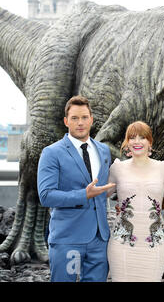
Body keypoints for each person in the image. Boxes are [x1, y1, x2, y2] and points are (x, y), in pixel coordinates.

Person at [37, 96, 115, 282]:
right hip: (67, 238)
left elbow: (106, 188)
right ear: (66, 121)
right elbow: (46, 195)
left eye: (84, 117)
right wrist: (83, 195)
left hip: (99, 239)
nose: (80, 123)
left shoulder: (103, 151)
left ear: (91, 119)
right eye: (74, 118)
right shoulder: (52, 153)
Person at [107, 121, 164, 282]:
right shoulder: (117, 168)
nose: (137, 141)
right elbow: (99, 196)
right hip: (122, 244)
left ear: (150, 142)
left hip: (154, 244)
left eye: (142, 137)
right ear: (127, 143)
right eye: (132, 138)